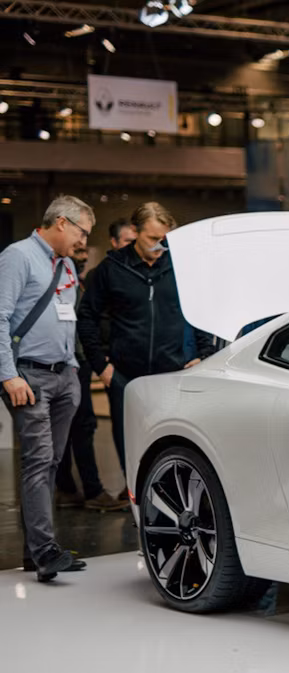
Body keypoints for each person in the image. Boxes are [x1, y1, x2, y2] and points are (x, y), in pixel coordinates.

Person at [78, 202, 216, 496]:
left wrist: (203, 356)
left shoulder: (180, 267)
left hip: (172, 375)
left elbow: (201, 311)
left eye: (164, 239)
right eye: (152, 239)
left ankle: (172, 506)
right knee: (130, 448)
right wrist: (101, 365)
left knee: (174, 447)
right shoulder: (111, 270)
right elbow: (87, 316)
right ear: (135, 231)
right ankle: (138, 509)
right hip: (125, 377)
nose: (159, 246)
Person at [0, 195, 96, 581]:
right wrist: (9, 375)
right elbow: (0, 316)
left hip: (62, 377)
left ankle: (36, 553)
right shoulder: (18, 256)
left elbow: (67, 320)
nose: (84, 240)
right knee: (39, 461)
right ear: (60, 222)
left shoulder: (67, 265)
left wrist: (72, 369)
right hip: (29, 377)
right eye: (81, 231)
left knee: (52, 462)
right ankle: (45, 551)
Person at [53, 245, 124, 511]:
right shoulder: (61, 279)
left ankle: (69, 489)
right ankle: (88, 490)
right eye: (78, 250)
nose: (82, 256)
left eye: (84, 251)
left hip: (78, 359)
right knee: (80, 425)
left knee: (77, 425)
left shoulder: (79, 282)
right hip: (71, 360)